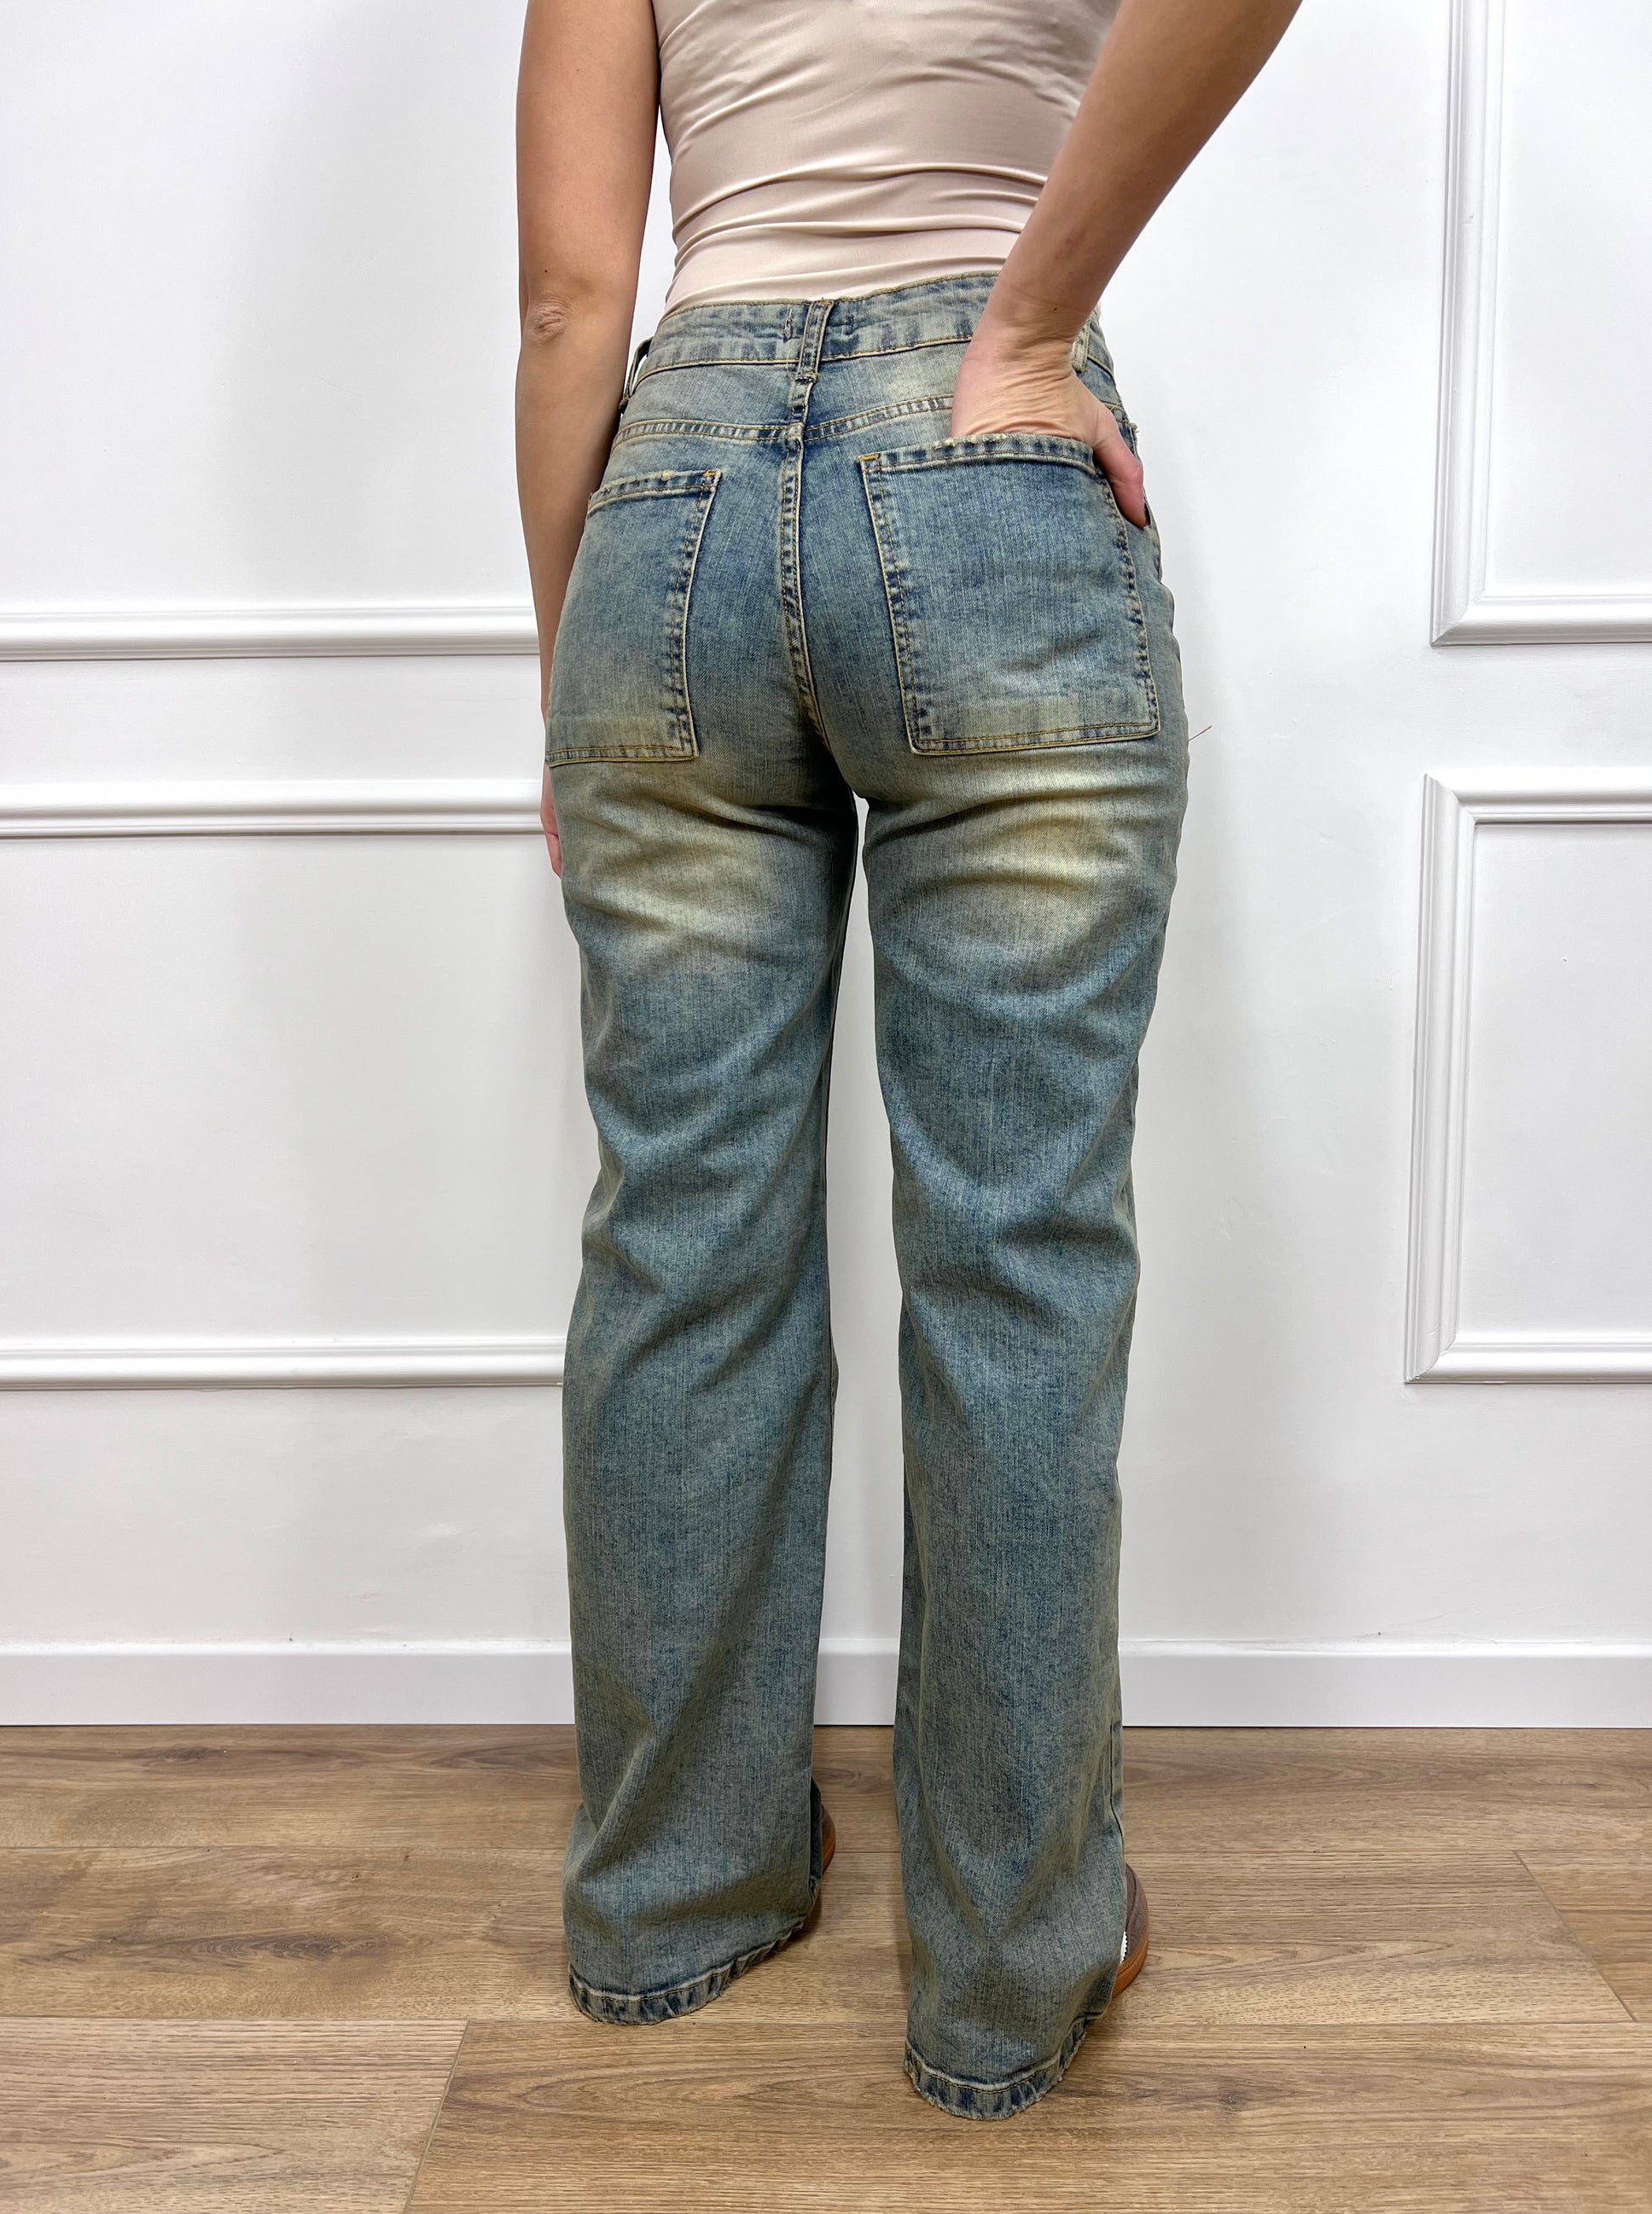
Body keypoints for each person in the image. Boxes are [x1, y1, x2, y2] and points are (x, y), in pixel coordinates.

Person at [515, 0, 1300, 2121]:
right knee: (1013, 1257)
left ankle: (671, 1898)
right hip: (987, 472)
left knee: (679, 1243)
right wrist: (1026, 325)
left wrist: (576, 665)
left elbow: (573, 295)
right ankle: (1006, 1969)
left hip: (664, 489)